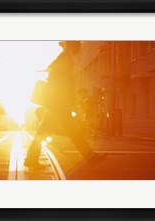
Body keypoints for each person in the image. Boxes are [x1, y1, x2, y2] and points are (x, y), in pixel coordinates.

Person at [24, 41, 101, 169]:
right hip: (59, 103)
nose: (80, 48)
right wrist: (69, 99)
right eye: (78, 45)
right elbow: (63, 84)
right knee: (72, 131)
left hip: (56, 103)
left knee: (48, 132)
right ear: (73, 46)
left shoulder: (64, 58)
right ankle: (90, 157)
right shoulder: (65, 60)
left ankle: (31, 159)